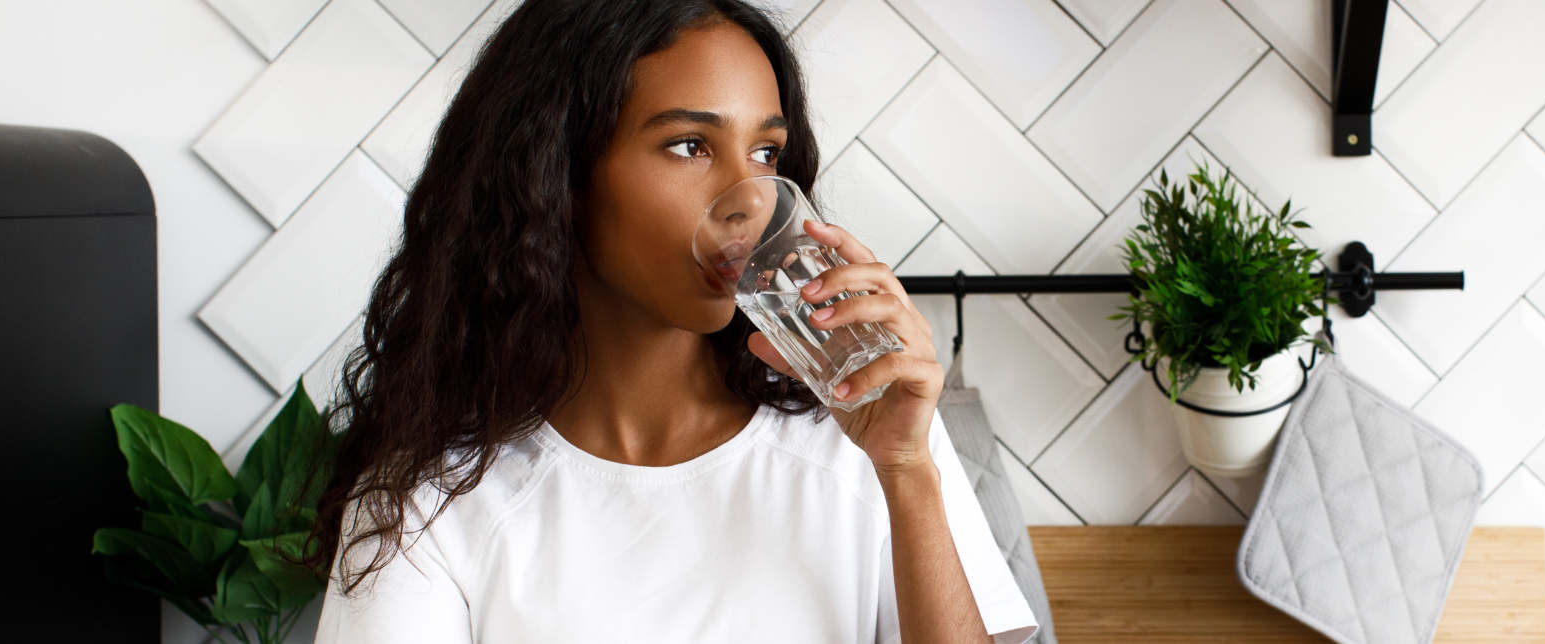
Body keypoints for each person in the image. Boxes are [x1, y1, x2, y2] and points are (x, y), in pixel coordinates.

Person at [299, 1, 1039, 642]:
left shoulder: (867, 434)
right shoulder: (426, 506)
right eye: (689, 146)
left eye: (765, 151)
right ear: (555, 174)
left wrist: (907, 473)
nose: (749, 197)